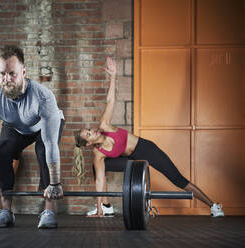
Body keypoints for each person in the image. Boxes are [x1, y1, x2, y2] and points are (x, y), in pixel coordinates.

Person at [73, 57, 224, 218]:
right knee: (98, 168)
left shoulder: (104, 126)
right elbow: (99, 182)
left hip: (146, 149)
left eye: (89, 129)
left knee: (178, 179)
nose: (92, 131)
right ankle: (106, 207)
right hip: (132, 160)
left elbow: (111, 100)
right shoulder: (99, 154)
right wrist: (99, 210)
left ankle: (213, 205)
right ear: (88, 143)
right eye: (89, 134)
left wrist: (113, 75)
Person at [0, 45, 64, 229]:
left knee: (42, 150)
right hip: (16, 126)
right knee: (3, 150)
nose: (6, 79)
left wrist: (55, 182)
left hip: (44, 125)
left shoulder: (43, 97)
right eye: (2, 73)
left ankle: (49, 210)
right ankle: (6, 212)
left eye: (12, 73)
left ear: (23, 72)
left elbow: (51, 144)